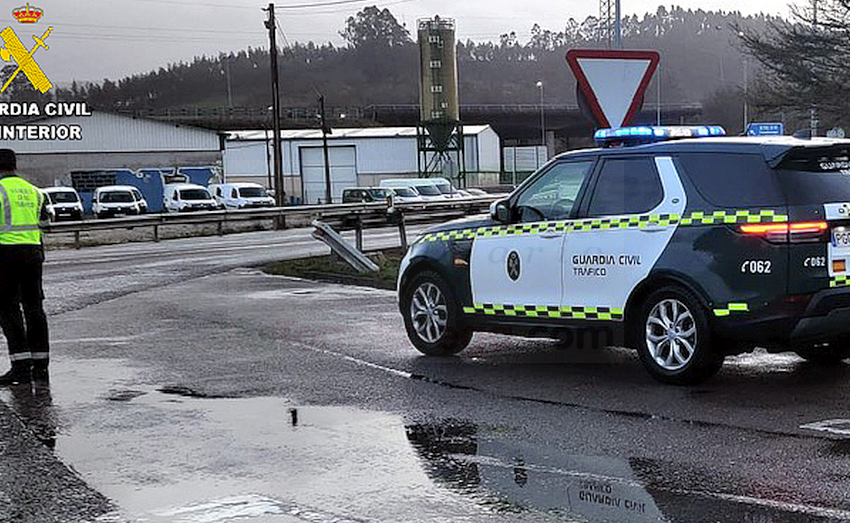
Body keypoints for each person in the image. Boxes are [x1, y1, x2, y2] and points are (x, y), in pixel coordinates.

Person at [0, 149, 49, 385]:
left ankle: (20, 368)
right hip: (33, 254)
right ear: (14, 166)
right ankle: (41, 367)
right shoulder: (35, 192)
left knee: (8, 309)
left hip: (5, 256)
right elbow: (46, 224)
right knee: (34, 308)